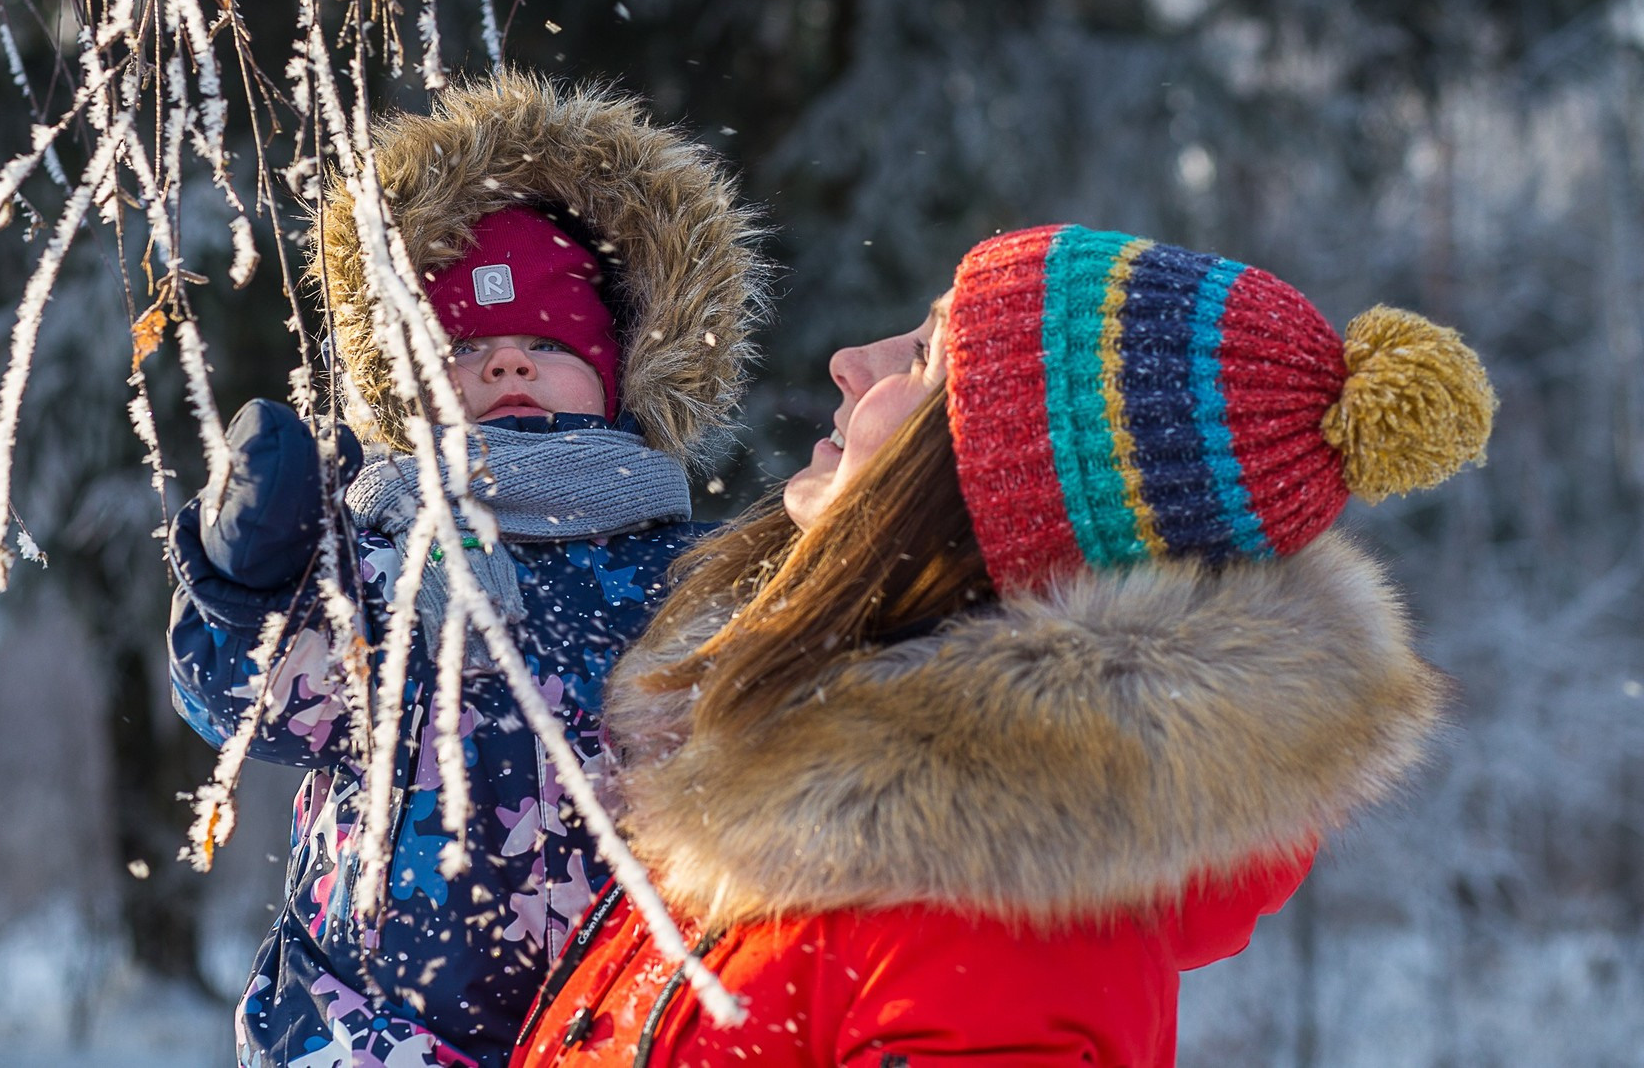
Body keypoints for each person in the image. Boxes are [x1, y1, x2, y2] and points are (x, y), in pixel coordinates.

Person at [512, 223, 1496, 1066]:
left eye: (919, 358)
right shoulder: (808, 808)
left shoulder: (995, 936)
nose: (851, 360)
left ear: (1005, 500)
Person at [167, 71, 767, 1068]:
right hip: (374, 1033)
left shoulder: (697, 573)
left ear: (623, 369)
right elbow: (250, 709)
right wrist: (253, 576)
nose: (507, 366)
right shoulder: (378, 553)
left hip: (626, 1026)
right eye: (469, 344)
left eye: (547, 341)